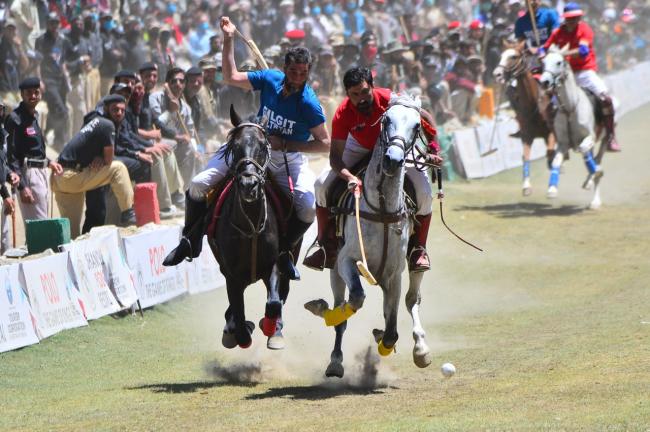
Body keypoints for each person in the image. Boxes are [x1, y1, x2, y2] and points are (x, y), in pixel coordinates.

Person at [163, 17, 331, 282]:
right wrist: (228, 40)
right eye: (293, 71)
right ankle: (190, 241)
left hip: (288, 157)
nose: (297, 78)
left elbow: (325, 143)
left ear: (308, 71)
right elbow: (230, 76)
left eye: (303, 73)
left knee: (308, 207)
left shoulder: (308, 103)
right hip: (251, 148)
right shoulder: (270, 78)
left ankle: (285, 252)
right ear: (285, 68)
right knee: (197, 184)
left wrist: (287, 144)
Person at [303, 67, 440, 272]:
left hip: (395, 146)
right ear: (347, 94)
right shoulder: (342, 114)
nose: (362, 99)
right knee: (321, 185)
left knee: (424, 191)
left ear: (372, 87)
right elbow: (335, 157)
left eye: (365, 92)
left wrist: (434, 148)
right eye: (355, 95)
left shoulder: (390, 99)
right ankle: (324, 245)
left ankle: (418, 249)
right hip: (358, 146)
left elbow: (425, 116)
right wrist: (348, 176)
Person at [51, 95, 136, 238]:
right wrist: (104, 159)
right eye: (115, 109)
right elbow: (110, 161)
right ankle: (128, 212)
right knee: (118, 168)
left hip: (61, 177)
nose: (119, 113)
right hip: (71, 176)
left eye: (122, 110)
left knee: (71, 236)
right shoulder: (107, 125)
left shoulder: (95, 122)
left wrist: (99, 157)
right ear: (106, 109)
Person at [541, 2, 620, 152]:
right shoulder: (558, 33)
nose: (572, 21)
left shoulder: (585, 29)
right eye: (569, 18)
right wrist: (539, 53)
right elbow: (544, 48)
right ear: (564, 19)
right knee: (550, 107)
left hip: (585, 72)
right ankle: (560, 139)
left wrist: (561, 54)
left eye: (575, 18)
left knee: (606, 100)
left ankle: (610, 137)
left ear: (579, 18)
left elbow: (583, 51)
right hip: (565, 76)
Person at [5, 78, 63, 227]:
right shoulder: (14, 119)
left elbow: (36, 148)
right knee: (39, 226)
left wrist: (50, 163)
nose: (33, 96)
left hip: (41, 172)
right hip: (28, 175)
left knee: (40, 224)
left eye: (36, 92)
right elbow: (11, 156)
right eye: (28, 93)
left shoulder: (35, 115)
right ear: (22, 95)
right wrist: (22, 186)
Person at [0, 102, 19, 254]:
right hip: (1, 193)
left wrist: (8, 174)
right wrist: (5, 194)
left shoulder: (2, 133)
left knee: (5, 240)